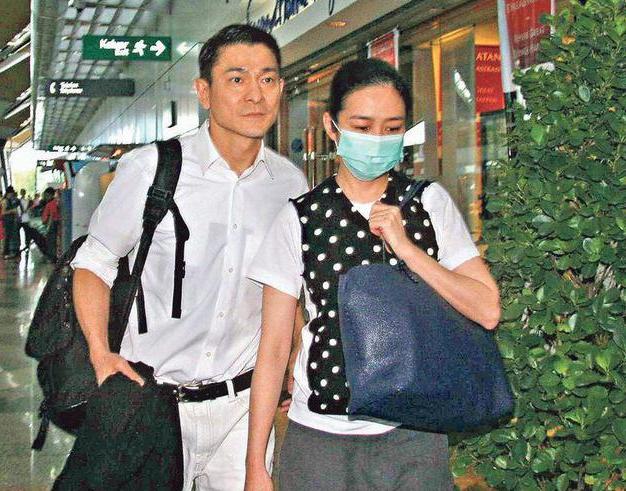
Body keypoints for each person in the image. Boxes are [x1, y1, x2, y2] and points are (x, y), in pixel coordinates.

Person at [58, 24, 308, 490]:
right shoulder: (151, 168)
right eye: (237, 79)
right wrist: (100, 354)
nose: (255, 94)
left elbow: (285, 285)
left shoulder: (289, 184)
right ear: (204, 91)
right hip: (152, 406)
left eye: (268, 79)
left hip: (242, 408)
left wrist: (295, 353)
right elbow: (94, 262)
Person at [245, 59, 501, 491]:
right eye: (362, 127)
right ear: (332, 127)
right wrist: (256, 463)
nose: (377, 139)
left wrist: (408, 250)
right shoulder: (300, 218)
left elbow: (487, 309)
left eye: (391, 128)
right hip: (320, 436)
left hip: (414, 431)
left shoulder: (428, 203)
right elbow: (272, 350)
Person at [41, 187, 61, 260]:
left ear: (50, 195)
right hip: (55, 224)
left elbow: (50, 217)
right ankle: (54, 256)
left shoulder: (50, 204)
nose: (45, 197)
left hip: (51, 225)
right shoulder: (55, 202)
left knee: (51, 242)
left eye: (46, 195)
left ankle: (52, 258)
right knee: (53, 242)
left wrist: (47, 229)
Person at [2, 186, 21, 259]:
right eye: (11, 194)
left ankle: (10, 252)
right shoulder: (5, 201)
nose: (12, 196)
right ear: (8, 193)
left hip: (11, 221)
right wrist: (12, 211)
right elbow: (3, 213)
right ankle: (6, 252)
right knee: (8, 237)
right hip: (7, 221)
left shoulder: (10, 200)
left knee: (11, 236)